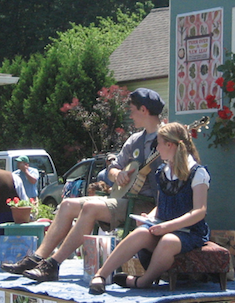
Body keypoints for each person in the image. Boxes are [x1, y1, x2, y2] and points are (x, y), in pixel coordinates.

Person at [1, 88, 165, 283]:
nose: (130, 115)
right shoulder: (135, 140)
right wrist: (118, 175)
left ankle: (53, 265)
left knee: (90, 207)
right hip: (122, 198)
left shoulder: (166, 139)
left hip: (145, 206)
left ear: (144, 110)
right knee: (66, 204)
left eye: (132, 110)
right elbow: (112, 168)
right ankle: (37, 258)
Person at [88, 122, 210, 294]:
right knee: (140, 233)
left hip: (189, 232)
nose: (157, 149)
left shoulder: (197, 173)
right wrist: (150, 218)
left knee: (168, 241)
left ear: (170, 145)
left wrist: (167, 227)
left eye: (159, 144)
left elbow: (199, 211)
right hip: (163, 226)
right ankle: (101, 275)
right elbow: (161, 204)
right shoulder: (163, 171)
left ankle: (144, 281)